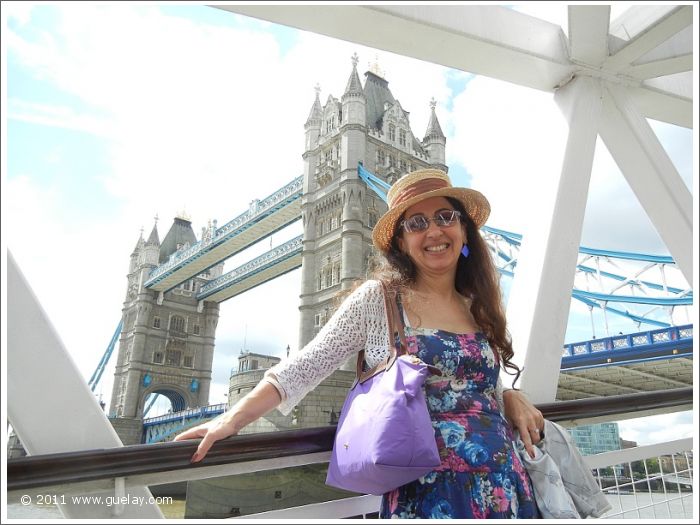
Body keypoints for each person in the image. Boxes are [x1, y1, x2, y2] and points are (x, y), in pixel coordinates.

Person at [175, 168, 545, 518]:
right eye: (416, 223)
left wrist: (511, 395)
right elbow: (306, 365)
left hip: (505, 483)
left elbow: (482, 386)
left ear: (464, 230)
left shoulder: (477, 306)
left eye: (445, 217)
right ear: (401, 241)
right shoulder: (380, 298)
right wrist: (230, 418)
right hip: (429, 493)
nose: (434, 231)